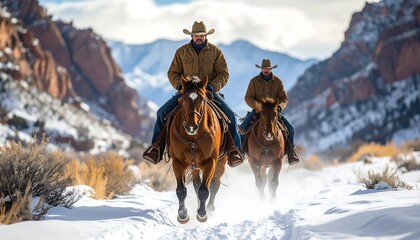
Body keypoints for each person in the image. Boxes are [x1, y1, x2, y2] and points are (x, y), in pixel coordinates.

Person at [143, 21, 243, 167]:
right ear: (191, 35)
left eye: (201, 35)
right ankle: (156, 148)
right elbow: (173, 72)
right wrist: (180, 86)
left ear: (206, 36)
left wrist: (212, 87)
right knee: (161, 113)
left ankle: (235, 151)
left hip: (208, 92)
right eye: (196, 35)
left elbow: (223, 74)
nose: (199, 38)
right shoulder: (181, 52)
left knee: (231, 116)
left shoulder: (216, 52)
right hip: (186, 93)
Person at [239, 59, 299, 165]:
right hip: (258, 111)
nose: (266, 70)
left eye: (268, 68)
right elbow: (248, 97)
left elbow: (284, 98)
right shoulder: (254, 81)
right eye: (264, 68)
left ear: (271, 69)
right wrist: (258, 106)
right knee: (242, 128)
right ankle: (241, 152)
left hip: (273, 112)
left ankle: (291, 153)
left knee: (290, 128)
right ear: (261, 69)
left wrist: (279, 107)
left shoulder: (278, 81)